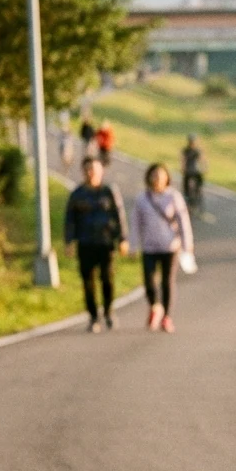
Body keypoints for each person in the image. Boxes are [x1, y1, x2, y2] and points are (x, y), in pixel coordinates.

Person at [63, 157, 128, 333]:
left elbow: (118, 215)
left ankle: (108, 311)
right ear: (83, 172)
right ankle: (93, 316)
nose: (91, 173)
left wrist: (123, 238)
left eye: (95, 169)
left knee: (107, 279)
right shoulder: (77, 194)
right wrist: (69, 241)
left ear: (101, 171)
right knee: (88, 282)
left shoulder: (108, 192)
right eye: (88, 169)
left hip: (105, 242)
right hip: (85, 243)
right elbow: (70, 220)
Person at [130, 163, 193, 334]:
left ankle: (166, 316)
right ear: (149, 177)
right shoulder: (142, 199)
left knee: (167, 282)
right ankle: (155, 306)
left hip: (170, 246)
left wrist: (187, 245)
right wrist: (133, 244)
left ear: (167, 178)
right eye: (154, 175)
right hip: (149, 247)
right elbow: (136, 223)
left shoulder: (173, 197)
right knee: (149, 282)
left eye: (161, 175)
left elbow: (183, 221)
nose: (157, 179)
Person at [181, 134, 206, 212]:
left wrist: (204, 168)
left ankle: (194, 196)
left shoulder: (188, 150)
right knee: (187, 187)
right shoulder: (189, 150)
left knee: (197, 186)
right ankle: (190, 197)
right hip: (191, 171)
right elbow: (183, 161)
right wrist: (204, 168)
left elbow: (201, 160)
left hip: (193, 171)